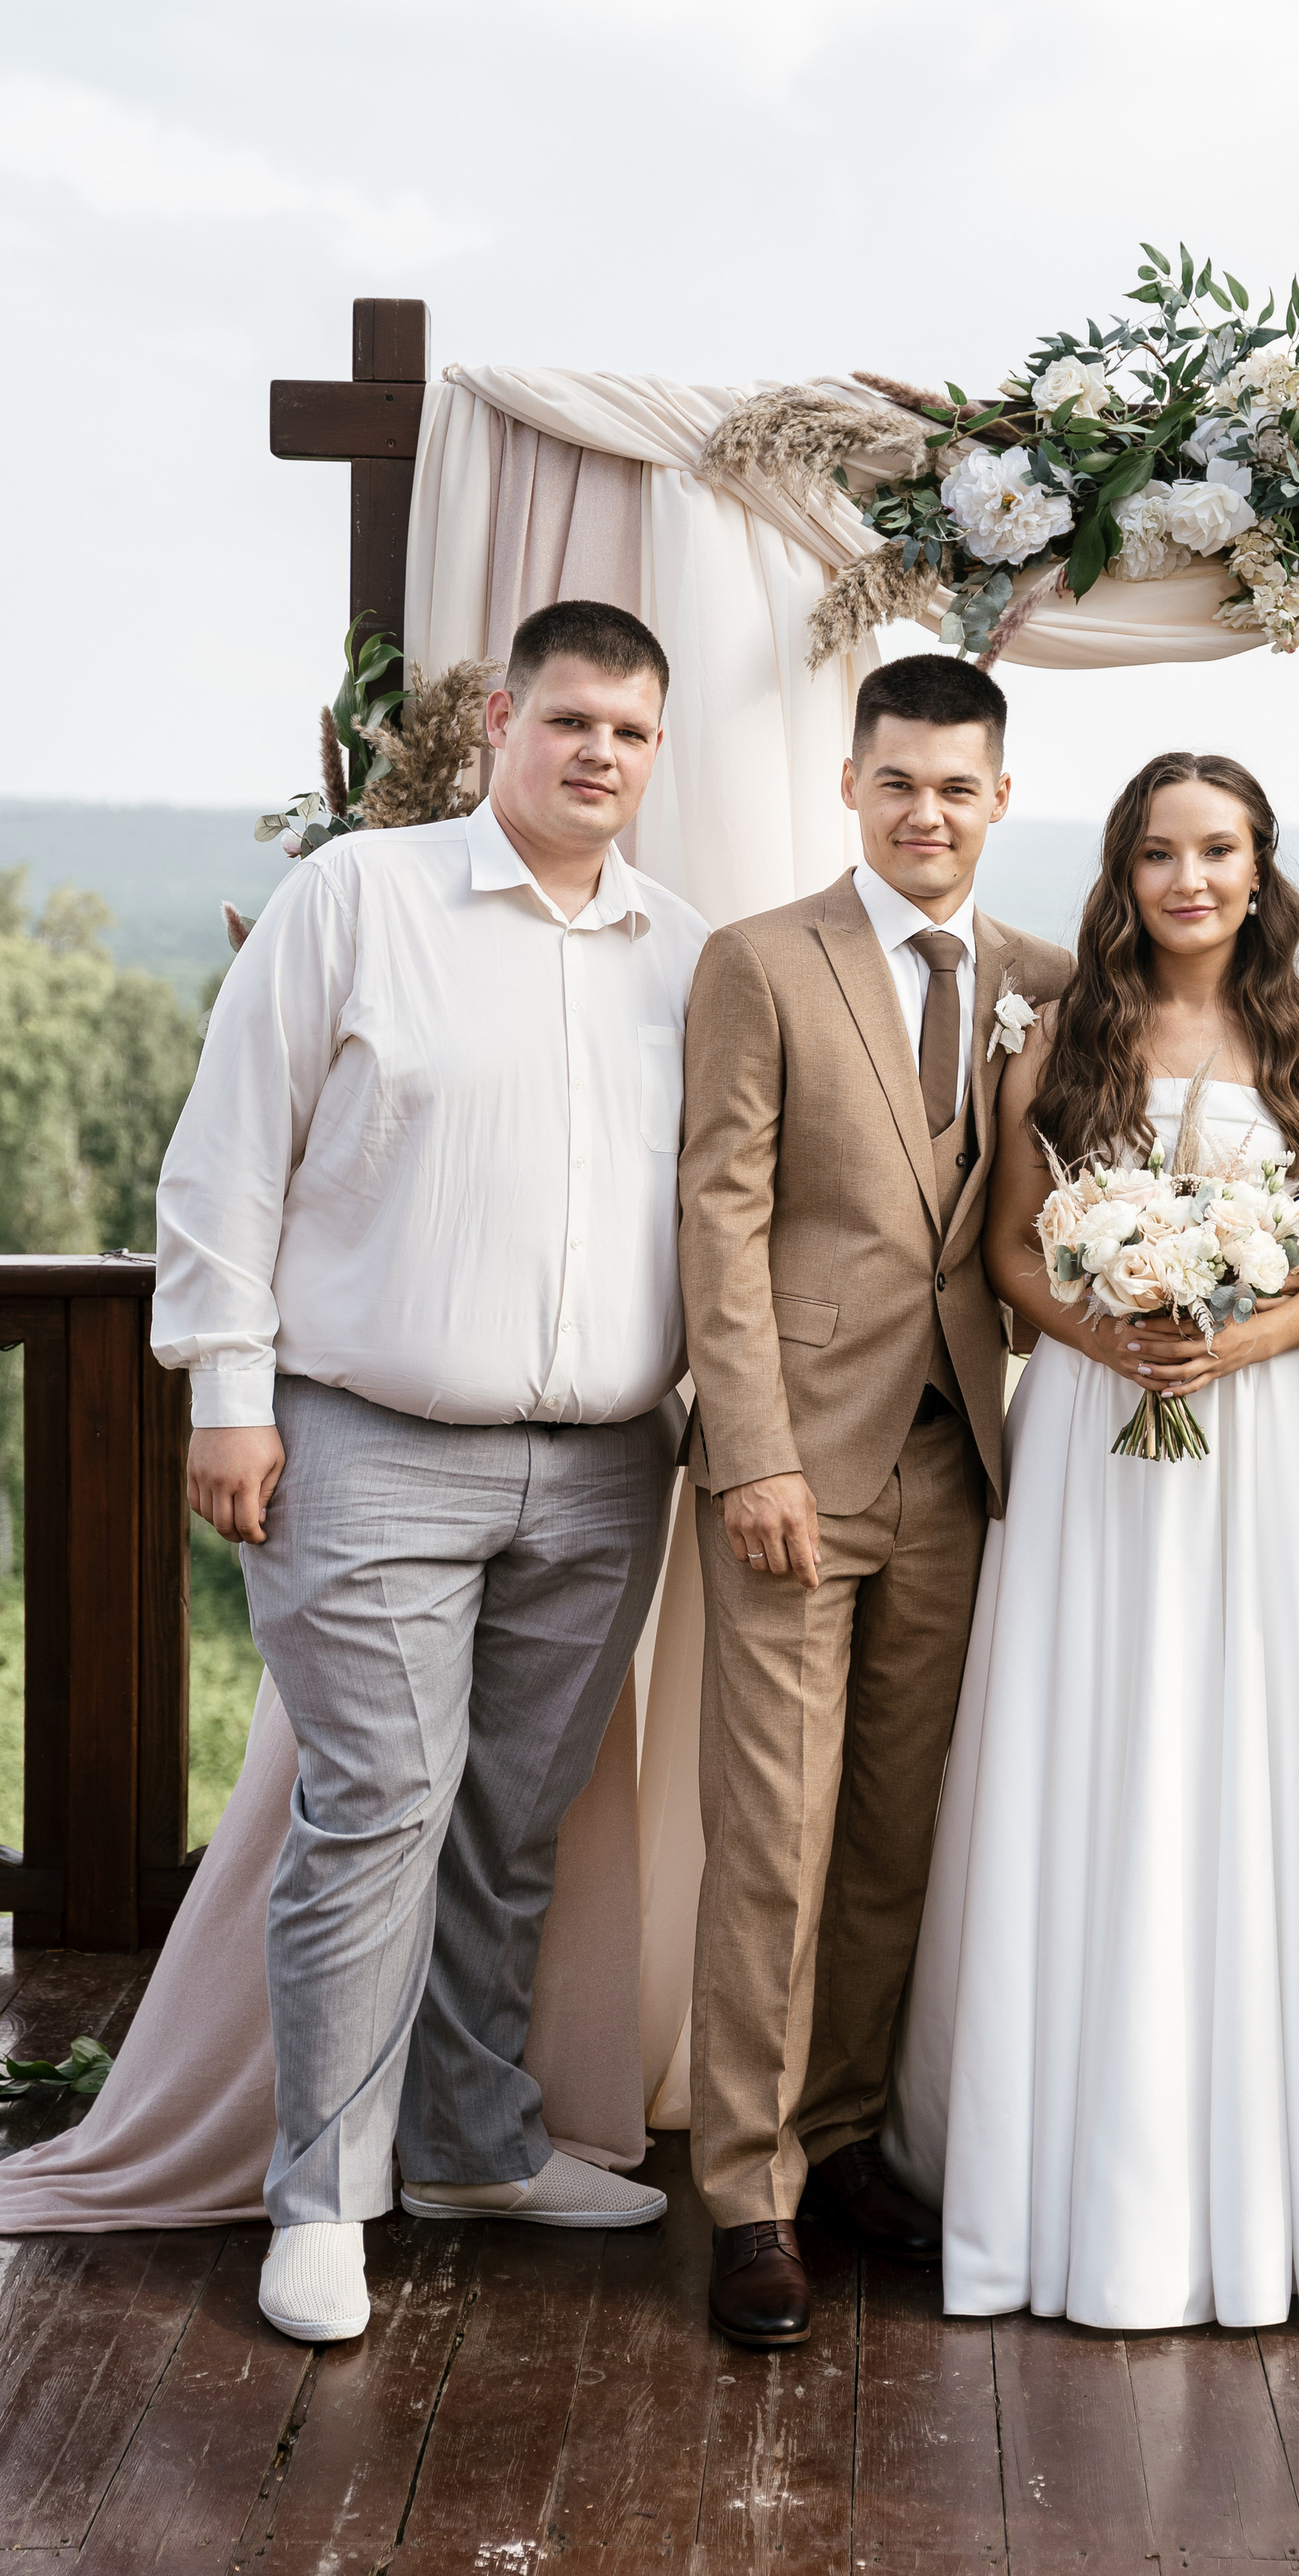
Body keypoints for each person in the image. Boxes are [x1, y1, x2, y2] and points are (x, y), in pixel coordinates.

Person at [883, 752, 1299, 2338]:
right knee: (1088, 1752)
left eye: (1216, 850)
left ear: (1258, 867)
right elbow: (1013, 1252)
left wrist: (1238, 1343)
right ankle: (1059, 2169)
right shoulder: (1059, 1033)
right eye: (1158, 852)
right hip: (1096, 1448)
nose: (1187, 879)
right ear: (1124, 868)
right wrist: (1103, 1327)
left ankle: (1278, 2170)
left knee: (1264, 1759)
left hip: (1256, 1450)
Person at [151, 599, 706, 2347]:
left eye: (627, 731)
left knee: (512, 1824)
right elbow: (227, 1158)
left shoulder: (685, 953)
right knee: (377, 1808)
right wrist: (225, 1394)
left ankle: (478, 2144)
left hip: (609, 1466)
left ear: (655, 750)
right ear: (499, 717)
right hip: (367, 1442)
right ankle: (322, 2195)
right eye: (568, 722)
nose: (596, 754)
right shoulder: (358, 899)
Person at [677, 652, 1073, 2350]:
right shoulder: (758, 961)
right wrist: (748, 1445)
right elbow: (719, 1215)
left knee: (896, 1838)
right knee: (774, 1833)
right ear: (850, 786)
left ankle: (840, 2138)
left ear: (999, 799)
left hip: (964, 1469)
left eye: (957, 786)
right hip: (794, 1468)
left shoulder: (1042, 980)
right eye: (897, 780)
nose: (927, 812)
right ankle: (746, 2193)